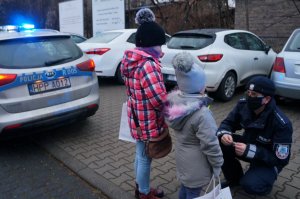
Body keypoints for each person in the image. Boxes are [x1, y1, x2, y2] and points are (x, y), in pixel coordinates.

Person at [216, 76, 293, 196]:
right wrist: (225, 133)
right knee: (218, 141)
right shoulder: (243, 105)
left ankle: (264, 181)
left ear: (267, 99)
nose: (249, 97)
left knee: (251, 185)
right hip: (248, 147)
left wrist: (251, 151)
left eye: (254, 95)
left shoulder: (282, 124)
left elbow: (281, 159)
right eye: (248, 93)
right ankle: (234, 179)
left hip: (268, 159)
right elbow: (228, 123)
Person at [120, 8, 167, 199]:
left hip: (137, 117)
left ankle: (140, 189)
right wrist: (172, 106)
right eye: (159, 45)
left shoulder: (131, 61)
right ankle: (145, 193)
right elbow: (157, 98)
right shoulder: (148, 64)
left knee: (140, 155)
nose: (161, 50)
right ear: (150, 44)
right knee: (145, 158)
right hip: (147, 119)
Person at [164, 52, 224, 199]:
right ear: (199, 87)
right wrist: (218, 164)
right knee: (193, 193)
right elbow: (210, 143)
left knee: (186, 188)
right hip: (197, 164)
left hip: (183, 157)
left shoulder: (174, 104)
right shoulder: (203, 114)